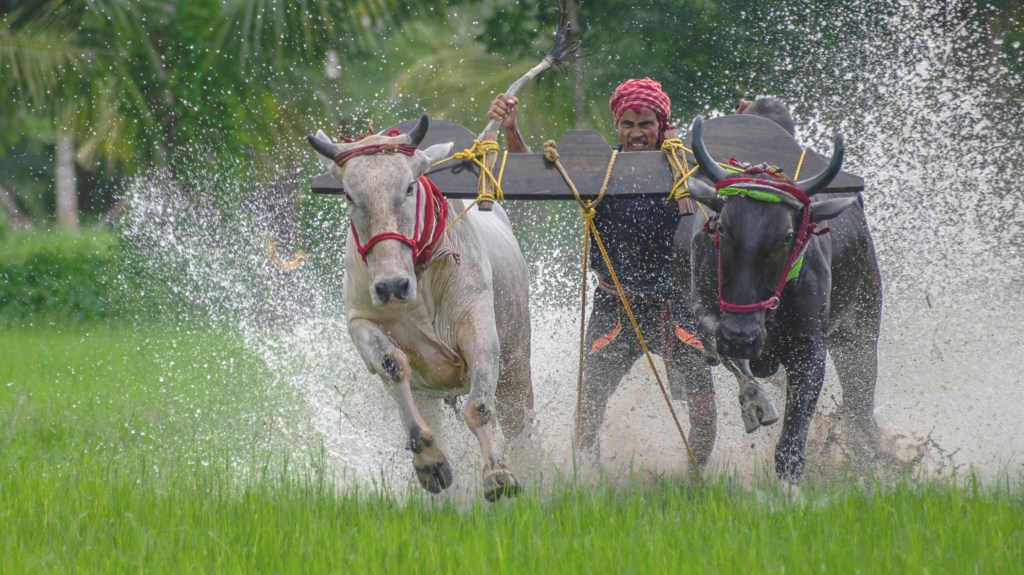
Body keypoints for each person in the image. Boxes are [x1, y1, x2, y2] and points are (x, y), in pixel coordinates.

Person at [488, 78, 717, 469]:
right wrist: (511, 129)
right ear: (617, 126)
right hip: (616, 303)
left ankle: (695, 478)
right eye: (628, 124)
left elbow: (736, 179)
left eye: (646, 124)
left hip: (675, 304)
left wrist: (745, 124)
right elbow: (532, 177)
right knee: (590, 406)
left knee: (704, 408)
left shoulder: (686, 165)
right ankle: (588, 475)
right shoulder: (597, 167)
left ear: (662, 126)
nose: (636, 133)